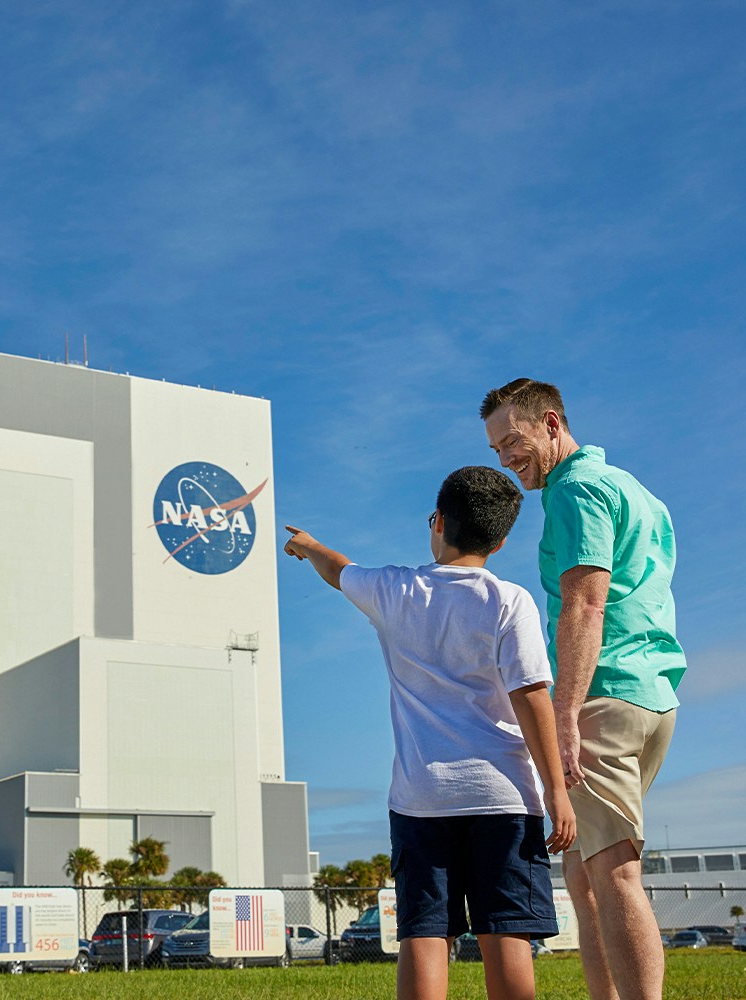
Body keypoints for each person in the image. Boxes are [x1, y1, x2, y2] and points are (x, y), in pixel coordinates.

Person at [284, 466, 575, 1000]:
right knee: (505, 933)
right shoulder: (509, 601)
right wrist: (557, 791)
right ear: (503, 538)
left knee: (426, 933)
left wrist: (308, 545)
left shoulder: (395, 589)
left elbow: (339, 570)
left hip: (421, 799)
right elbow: (532, 697)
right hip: (504, 798)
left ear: (438, 521)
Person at [480, 379, 685, 1000]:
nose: (506, 458)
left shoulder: (575, 490)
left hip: (604, 695)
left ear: (550, 422)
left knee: (613, 873)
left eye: (513, 441)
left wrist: (564, 714)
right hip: (653, 696)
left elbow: (584, 605)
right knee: (584, 872)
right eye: (495, 449)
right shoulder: (631, 487)